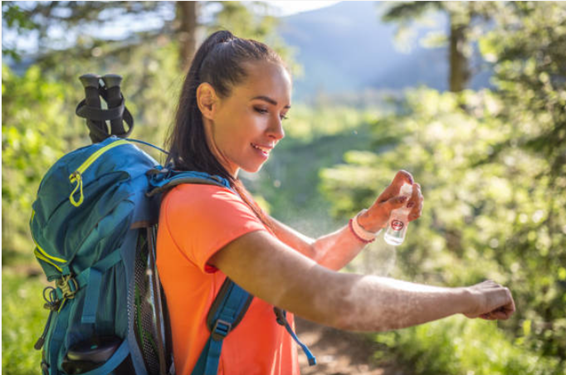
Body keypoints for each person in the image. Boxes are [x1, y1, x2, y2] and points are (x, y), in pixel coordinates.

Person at [156, 30, 515, 375]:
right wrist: (467, 298)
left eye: (282, 115)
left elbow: (310, 260)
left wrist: (370, 222)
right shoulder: (204, 205)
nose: (278, 132)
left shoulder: (224, 193)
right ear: (208, 101)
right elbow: (335, 300)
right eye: (261, 109)